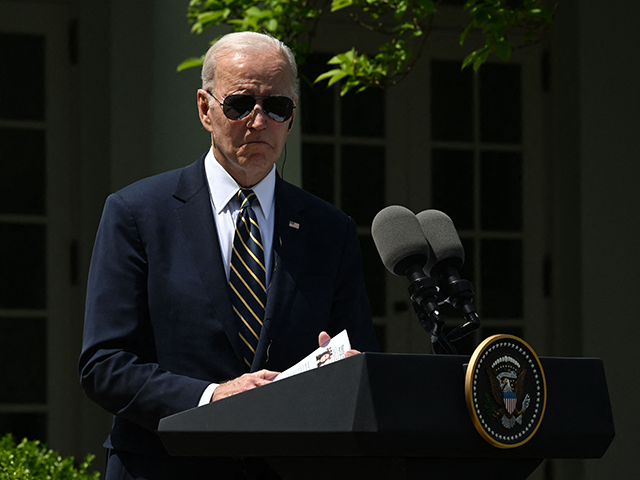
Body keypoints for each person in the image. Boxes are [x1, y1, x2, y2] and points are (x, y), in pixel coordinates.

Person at [78, 31, 378, 480]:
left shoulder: (329, 229)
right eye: (240, 105)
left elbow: (359, 358)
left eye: (276, 107)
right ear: (205, 109)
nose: (259, 122)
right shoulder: (137, 214)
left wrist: (343, 372)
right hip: (164, 467)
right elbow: (104, 365)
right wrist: (212, 396)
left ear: (292, 117)